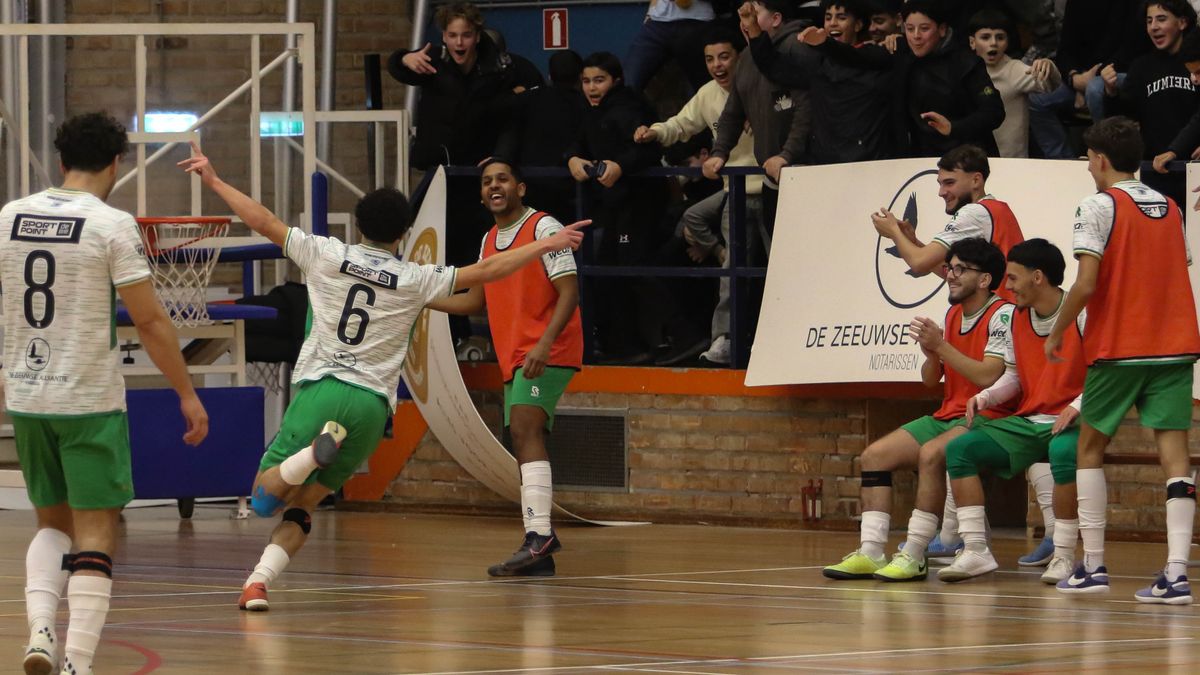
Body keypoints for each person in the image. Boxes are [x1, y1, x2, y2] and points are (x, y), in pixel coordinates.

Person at [177, 143, 587, 610]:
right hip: (371, 408)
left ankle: (308, 455)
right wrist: (545, 244)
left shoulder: (324, 253)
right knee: (303, 506)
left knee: (264, 499)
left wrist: (215, 180)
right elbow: (489, 270)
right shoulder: (415, 278)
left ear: (358, 227)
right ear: (405, 234)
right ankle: (257, 583)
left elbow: (263, 220)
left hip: (322, 389)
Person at [0, 112, 209, 675]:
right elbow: (150, 321)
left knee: (51, 524)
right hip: (87, 400)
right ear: (116, 163)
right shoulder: (112, 225)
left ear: (60, 160)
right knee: (96, 529)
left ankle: (39, 633)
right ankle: (76, 663)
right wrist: (186, 393)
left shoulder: (10, 216)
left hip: (27, 398)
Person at [1046, 116, 1200, 604]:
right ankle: (1177, 574)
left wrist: (1057, 329)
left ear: (1098, 159)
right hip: (1175, 344)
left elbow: (1086, 283)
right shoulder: (1169, 206)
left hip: (1121, 345)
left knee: (1089, 448)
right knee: (1175, 457)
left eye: (1088, 159)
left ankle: (1093, 566)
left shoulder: (1097, 205)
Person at [823, 238, 1011, 582]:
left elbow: (988, 375)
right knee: (874, 456)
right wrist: (931, 354)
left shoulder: (1002, 314)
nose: (950, 275)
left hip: (988, 416)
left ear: (985, 279)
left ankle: (913, 553)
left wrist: (941, 345)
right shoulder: (953, 313)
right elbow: (929, 381)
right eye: (949, 267)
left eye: (960, 269)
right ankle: (871, 551)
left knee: (931, 454)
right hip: (948, 414)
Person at [428, 159, 582, 576]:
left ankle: (540, 536)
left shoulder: (545, 228)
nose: (494, 186)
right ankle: (539, 549)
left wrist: (545, 344)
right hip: (516, 354)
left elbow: (569, 292)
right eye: (486, 182)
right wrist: (423, 300)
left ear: (521, 188)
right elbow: (473, 301)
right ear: (481, 195)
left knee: (525, 429)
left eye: (502, 179)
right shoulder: (489, 240)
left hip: (548, 348)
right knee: (521, 434)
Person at [938, 239, 1087, 584]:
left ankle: (1064, 556)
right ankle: (976, 550)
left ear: (1038, 277)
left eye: (1014, 278)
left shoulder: (1081, 312)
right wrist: (986, 397)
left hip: (1078, 418)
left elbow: (1104, 373)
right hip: (1031, 420)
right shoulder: (1017, 317)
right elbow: (1015, 375)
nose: (1008, 286)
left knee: (1062, 452)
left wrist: (1076, 406)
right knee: (960, 449)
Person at [634, 25, 763, 366]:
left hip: (774, 189)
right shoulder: (707, 94)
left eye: (724, 57)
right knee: (732, 270)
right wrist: (655, 132)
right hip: (734, 192)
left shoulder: (762, 83)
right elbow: (681, 124)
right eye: (710, 59)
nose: (717, 65)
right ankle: (726, 339)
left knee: (777, 268)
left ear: (740, 57)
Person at [567, 51, 669, 362]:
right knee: (610, 271)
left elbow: (649, 150)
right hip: (615, 206)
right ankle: (626, 347)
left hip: (639, 202)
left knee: (633, 270)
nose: (591, 87)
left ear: (616, 80)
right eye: (586, 81)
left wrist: (620, 165)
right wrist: (572, 158)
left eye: (599, 80)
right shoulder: (591, 111)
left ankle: (674, 338)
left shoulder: (627, 107)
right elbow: (579, 141)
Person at [749, 0, 896, 164]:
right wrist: (753, 29)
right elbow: (775, 67)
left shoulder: (877, 56)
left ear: (858, 25)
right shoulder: (818, 61)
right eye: (828, 17)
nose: (833, 23)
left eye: (841, 17)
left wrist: (825, 44)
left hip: (872, 164)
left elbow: (851, 56)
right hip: (826, 165)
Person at [870, 146, 1024, 285]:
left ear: (976, 180)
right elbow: (953, 275)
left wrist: (893, 231)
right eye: (940, 184)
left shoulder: (974, 214)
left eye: (949, 183)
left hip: (997, 306)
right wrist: (913, 242)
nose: (941, 192)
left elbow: (919, 263)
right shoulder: (996, 209)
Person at [1103, 0, 1199, 205]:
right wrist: (1111, 93)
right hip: (1155, 170)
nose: (1154, 26)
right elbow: (1124, 119)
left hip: (1193, 167)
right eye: (1149, 21)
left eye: (1161, 19)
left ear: (1182, 22)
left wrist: (1177, 150)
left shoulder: (1195, 62)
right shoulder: (1141, 67)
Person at [1028, 0, 1149, 159]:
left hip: (1120, 73)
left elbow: (1130, 50)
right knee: (1037, 99)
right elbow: (1065, 50)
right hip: (1082, 77)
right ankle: (1062, 160)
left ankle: (1106, 156)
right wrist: (1074, 78)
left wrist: (1091, 79)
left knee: (1094, 89)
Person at [890, 0, 1006, 157]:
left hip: (967, 157)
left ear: (942, 29)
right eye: (910, 29)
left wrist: (953, 127)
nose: (916, 36)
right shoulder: (903, 57)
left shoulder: (966, 62)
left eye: (924, 28)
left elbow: (994, 112)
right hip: (920, 159)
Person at [967, 9, 1061, 158]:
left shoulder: (1014, 69)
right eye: (985, 37)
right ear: (972, 42)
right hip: (974, 159)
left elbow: (1050, 85)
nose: (993, 43)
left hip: (1011, 161)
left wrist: (1048, 67)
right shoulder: (965, 71)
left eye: (1000, 37)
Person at [625, 0, 717, 93]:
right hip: (657, 23)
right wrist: (650, 13)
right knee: (628, 84)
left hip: (698, 22)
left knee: (706, 89)